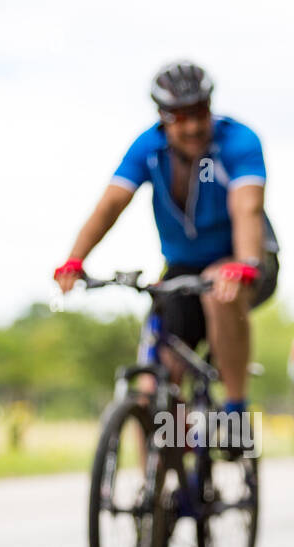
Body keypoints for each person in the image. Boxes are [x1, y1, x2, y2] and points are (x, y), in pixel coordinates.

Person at [53, 61, 279, 453]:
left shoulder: (238, 142)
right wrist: (74, 260)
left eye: (199, 114)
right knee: (152, 387)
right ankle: (158, 490)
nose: (191, 127)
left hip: (247, 256)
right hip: (182, 267)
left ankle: (235, 412)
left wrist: (244, 264)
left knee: (218, 288)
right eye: (179, 118)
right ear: (162, 117)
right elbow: (111, 204)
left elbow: (247, 209)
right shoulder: (148, 148)